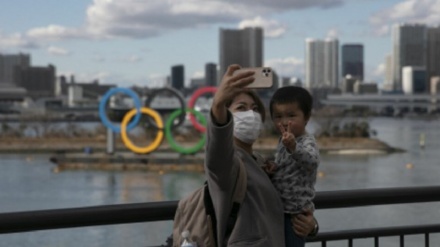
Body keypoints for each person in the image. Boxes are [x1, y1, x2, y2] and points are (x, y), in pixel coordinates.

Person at [205, 64, 318, 247]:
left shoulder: (261, 162)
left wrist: (311, 226)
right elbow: (215, 154)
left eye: (255, 108)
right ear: (227, 115)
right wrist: (218, 105)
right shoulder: (228, 164)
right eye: (241, 108)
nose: (250, 114)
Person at [268, 86, 320, 247]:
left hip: (295, 214)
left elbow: (311, 162)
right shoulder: (282, 141)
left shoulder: (307, 141)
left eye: (291, 115)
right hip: (279, 210)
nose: (284, 122)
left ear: (307, 117)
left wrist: (293, 147)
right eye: (278, 116)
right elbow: (285, 166)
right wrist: (273, 167)